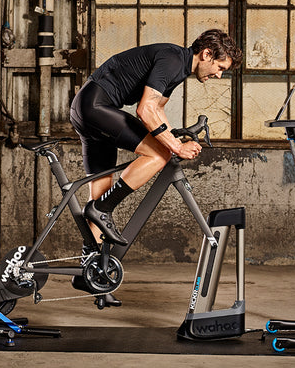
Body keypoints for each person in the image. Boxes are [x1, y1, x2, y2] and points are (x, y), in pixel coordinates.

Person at [69, 28, 242, 247]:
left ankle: (90, 267)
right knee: (158, 155)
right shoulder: (173, 60)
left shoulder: (179, 66)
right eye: (220, 68)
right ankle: (102, 210)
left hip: (86, 108)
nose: (219, 75)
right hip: (96, 107)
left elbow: (158, 109)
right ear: (207, 54)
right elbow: (145, 110)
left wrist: (173, 139)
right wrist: (176, 148)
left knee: (101, 191)